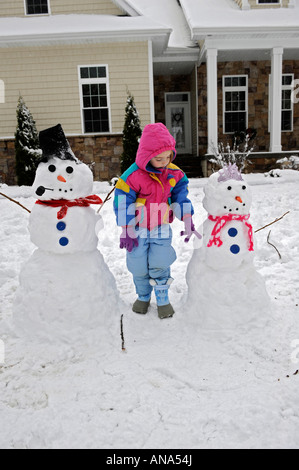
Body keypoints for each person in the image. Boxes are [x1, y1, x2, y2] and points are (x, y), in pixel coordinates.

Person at [113, 123, 200, 319]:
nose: (164, 162)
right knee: (137, 264)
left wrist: (187, 218)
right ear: (146, 155)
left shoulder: (175, 174)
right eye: (158, 158)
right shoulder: (132, 176)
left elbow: (180, 198)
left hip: (161, 226)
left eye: (168, 157)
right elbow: (122, 201)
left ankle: (162, 297)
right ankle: (143, 296)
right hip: (137, 228)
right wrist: (127, 229)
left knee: (160, 261)